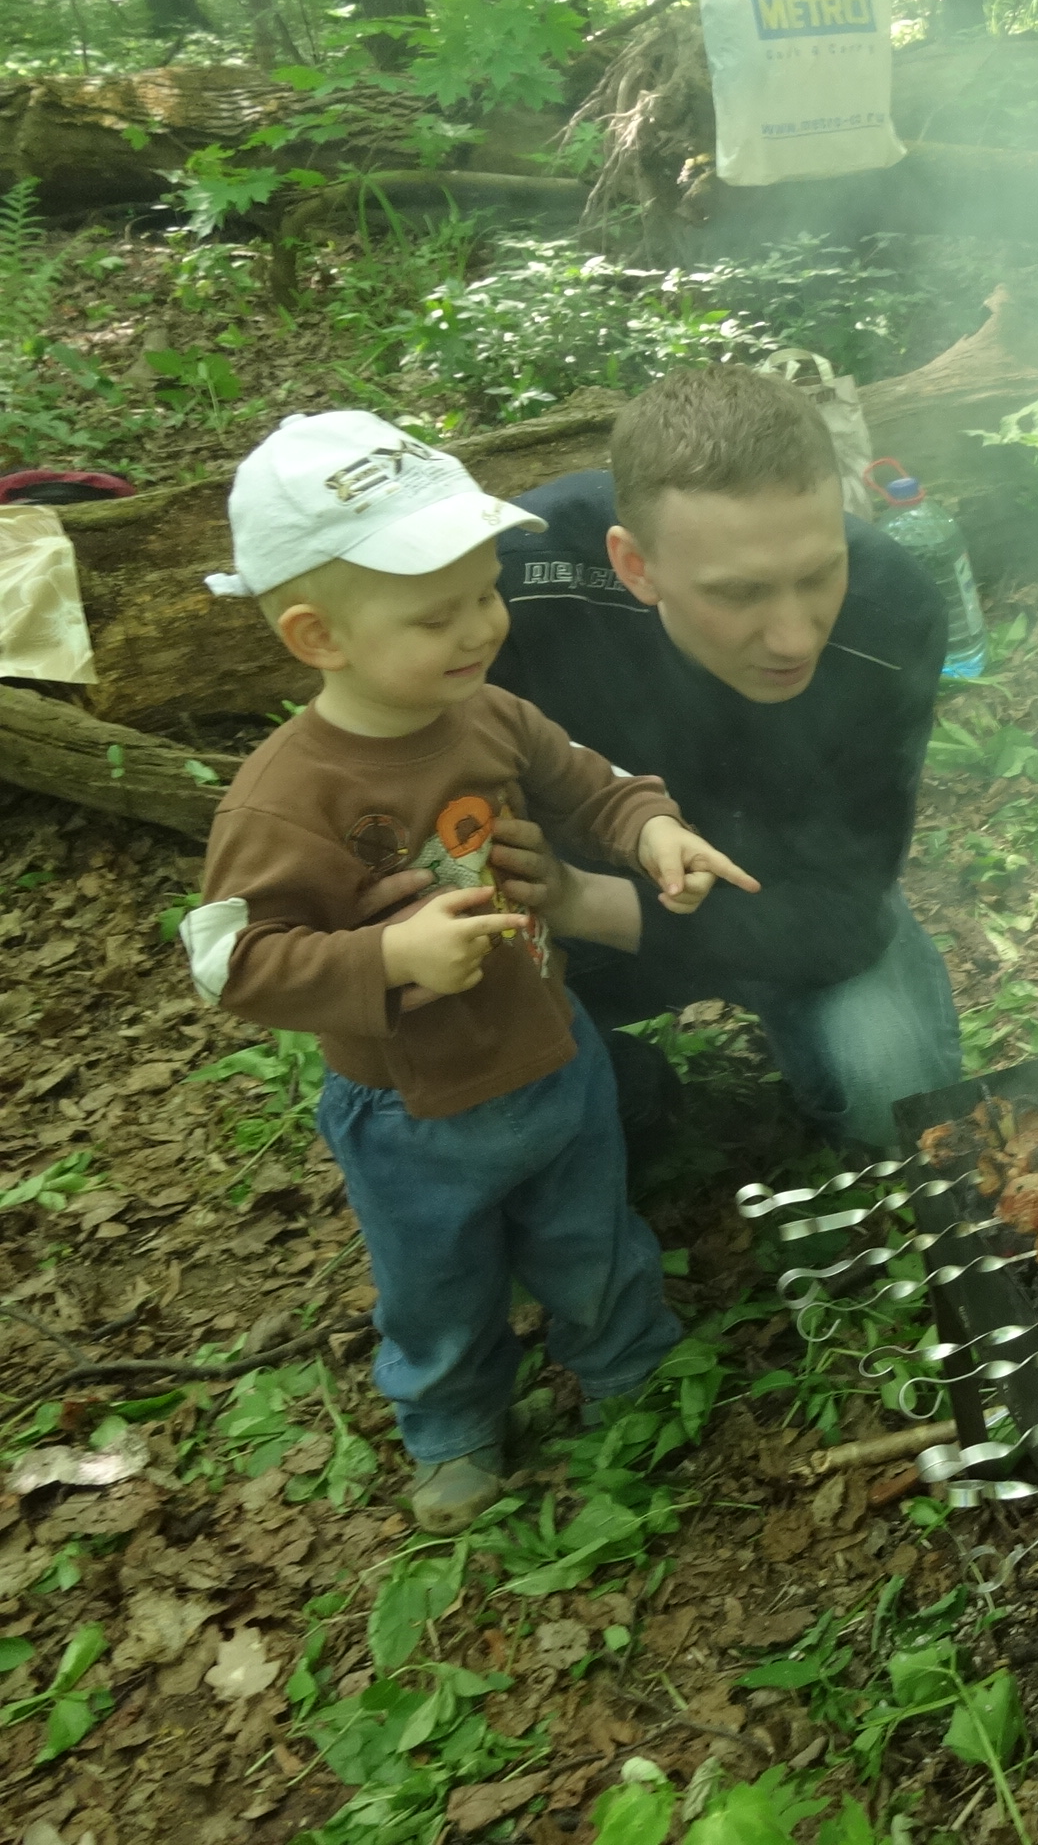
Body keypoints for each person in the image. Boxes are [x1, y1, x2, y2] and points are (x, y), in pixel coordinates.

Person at [182, 411, 758, 1533]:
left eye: (486, 594)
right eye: (436, 613)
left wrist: (651, 831)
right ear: (317, 636)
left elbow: (590, 778)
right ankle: (452, 1424)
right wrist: (388, 957)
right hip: (411, 1108)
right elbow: (234, 962)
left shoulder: (487, 714)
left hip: (551, 1046)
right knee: (435, 1278)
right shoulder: (286, 795)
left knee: (589, 1228)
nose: (482, 626)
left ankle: (626, 1363)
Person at [484, 365, 960, 1156]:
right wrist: (557, 906)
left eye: (819, 573)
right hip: (559, 927)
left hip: (781, 901)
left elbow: (846, 909)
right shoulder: (510, 587)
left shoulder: (892, 610)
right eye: (739, 594)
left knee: (897, 1100)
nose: (795, 637)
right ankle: (618, 1090)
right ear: (635, 565)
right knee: (497, 1120)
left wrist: (586, 900)